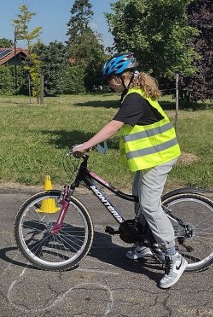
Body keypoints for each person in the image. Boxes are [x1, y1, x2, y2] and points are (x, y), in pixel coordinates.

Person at [72, 53, 184, 289]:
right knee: (138, 200)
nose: (108, 85)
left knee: (150, 205)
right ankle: (144, 244)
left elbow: (114, 126)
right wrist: (97, 143)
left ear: (121, 78)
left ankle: (173, 257)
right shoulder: (131, 95)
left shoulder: (134, 98)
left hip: (159, 158)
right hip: (148, 159)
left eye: (109, 80)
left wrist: (85, 145)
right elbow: (126, 129)